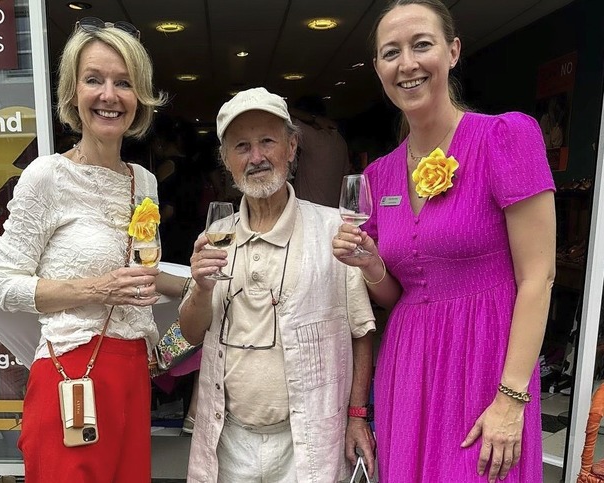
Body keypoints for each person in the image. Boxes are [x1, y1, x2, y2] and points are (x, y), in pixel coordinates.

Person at [332, 1, 556, 482]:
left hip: (485, 366)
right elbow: (400, 293)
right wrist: (371, 265)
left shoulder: (505, 138)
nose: (407, 64)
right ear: (378, 69)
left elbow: (539, 276)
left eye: (422, 45)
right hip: (409, 370)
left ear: (452, 52)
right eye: (391, 52)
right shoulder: (378, 174)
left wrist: (511, 398)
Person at [0, 18, 188, 482]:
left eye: (123, 83)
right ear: (73, 93)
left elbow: (141, 273)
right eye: (94, 80)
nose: (109, 95)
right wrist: (97, 288)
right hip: (72, 370)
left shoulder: (145, 181)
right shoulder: (47, 176)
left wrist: (200, 280)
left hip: (134, 371)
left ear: (138, 97)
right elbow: (4, 284)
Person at [179, 87, 377, 482]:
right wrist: (200, 287)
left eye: (267, 141)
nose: (256, 157)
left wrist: (357, 416)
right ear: (227, 161)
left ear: (291, 147)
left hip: (307, 442)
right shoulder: (216, 234)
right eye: (242, 146)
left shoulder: (332, 231)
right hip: (229, 441)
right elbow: (189, 331)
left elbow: (361, 331)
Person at [289, 95, 351, 207]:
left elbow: (284, 115)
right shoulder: (340, 140)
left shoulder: (314, 138)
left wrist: (314, 118)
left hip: (311, 213)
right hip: (334, 211)